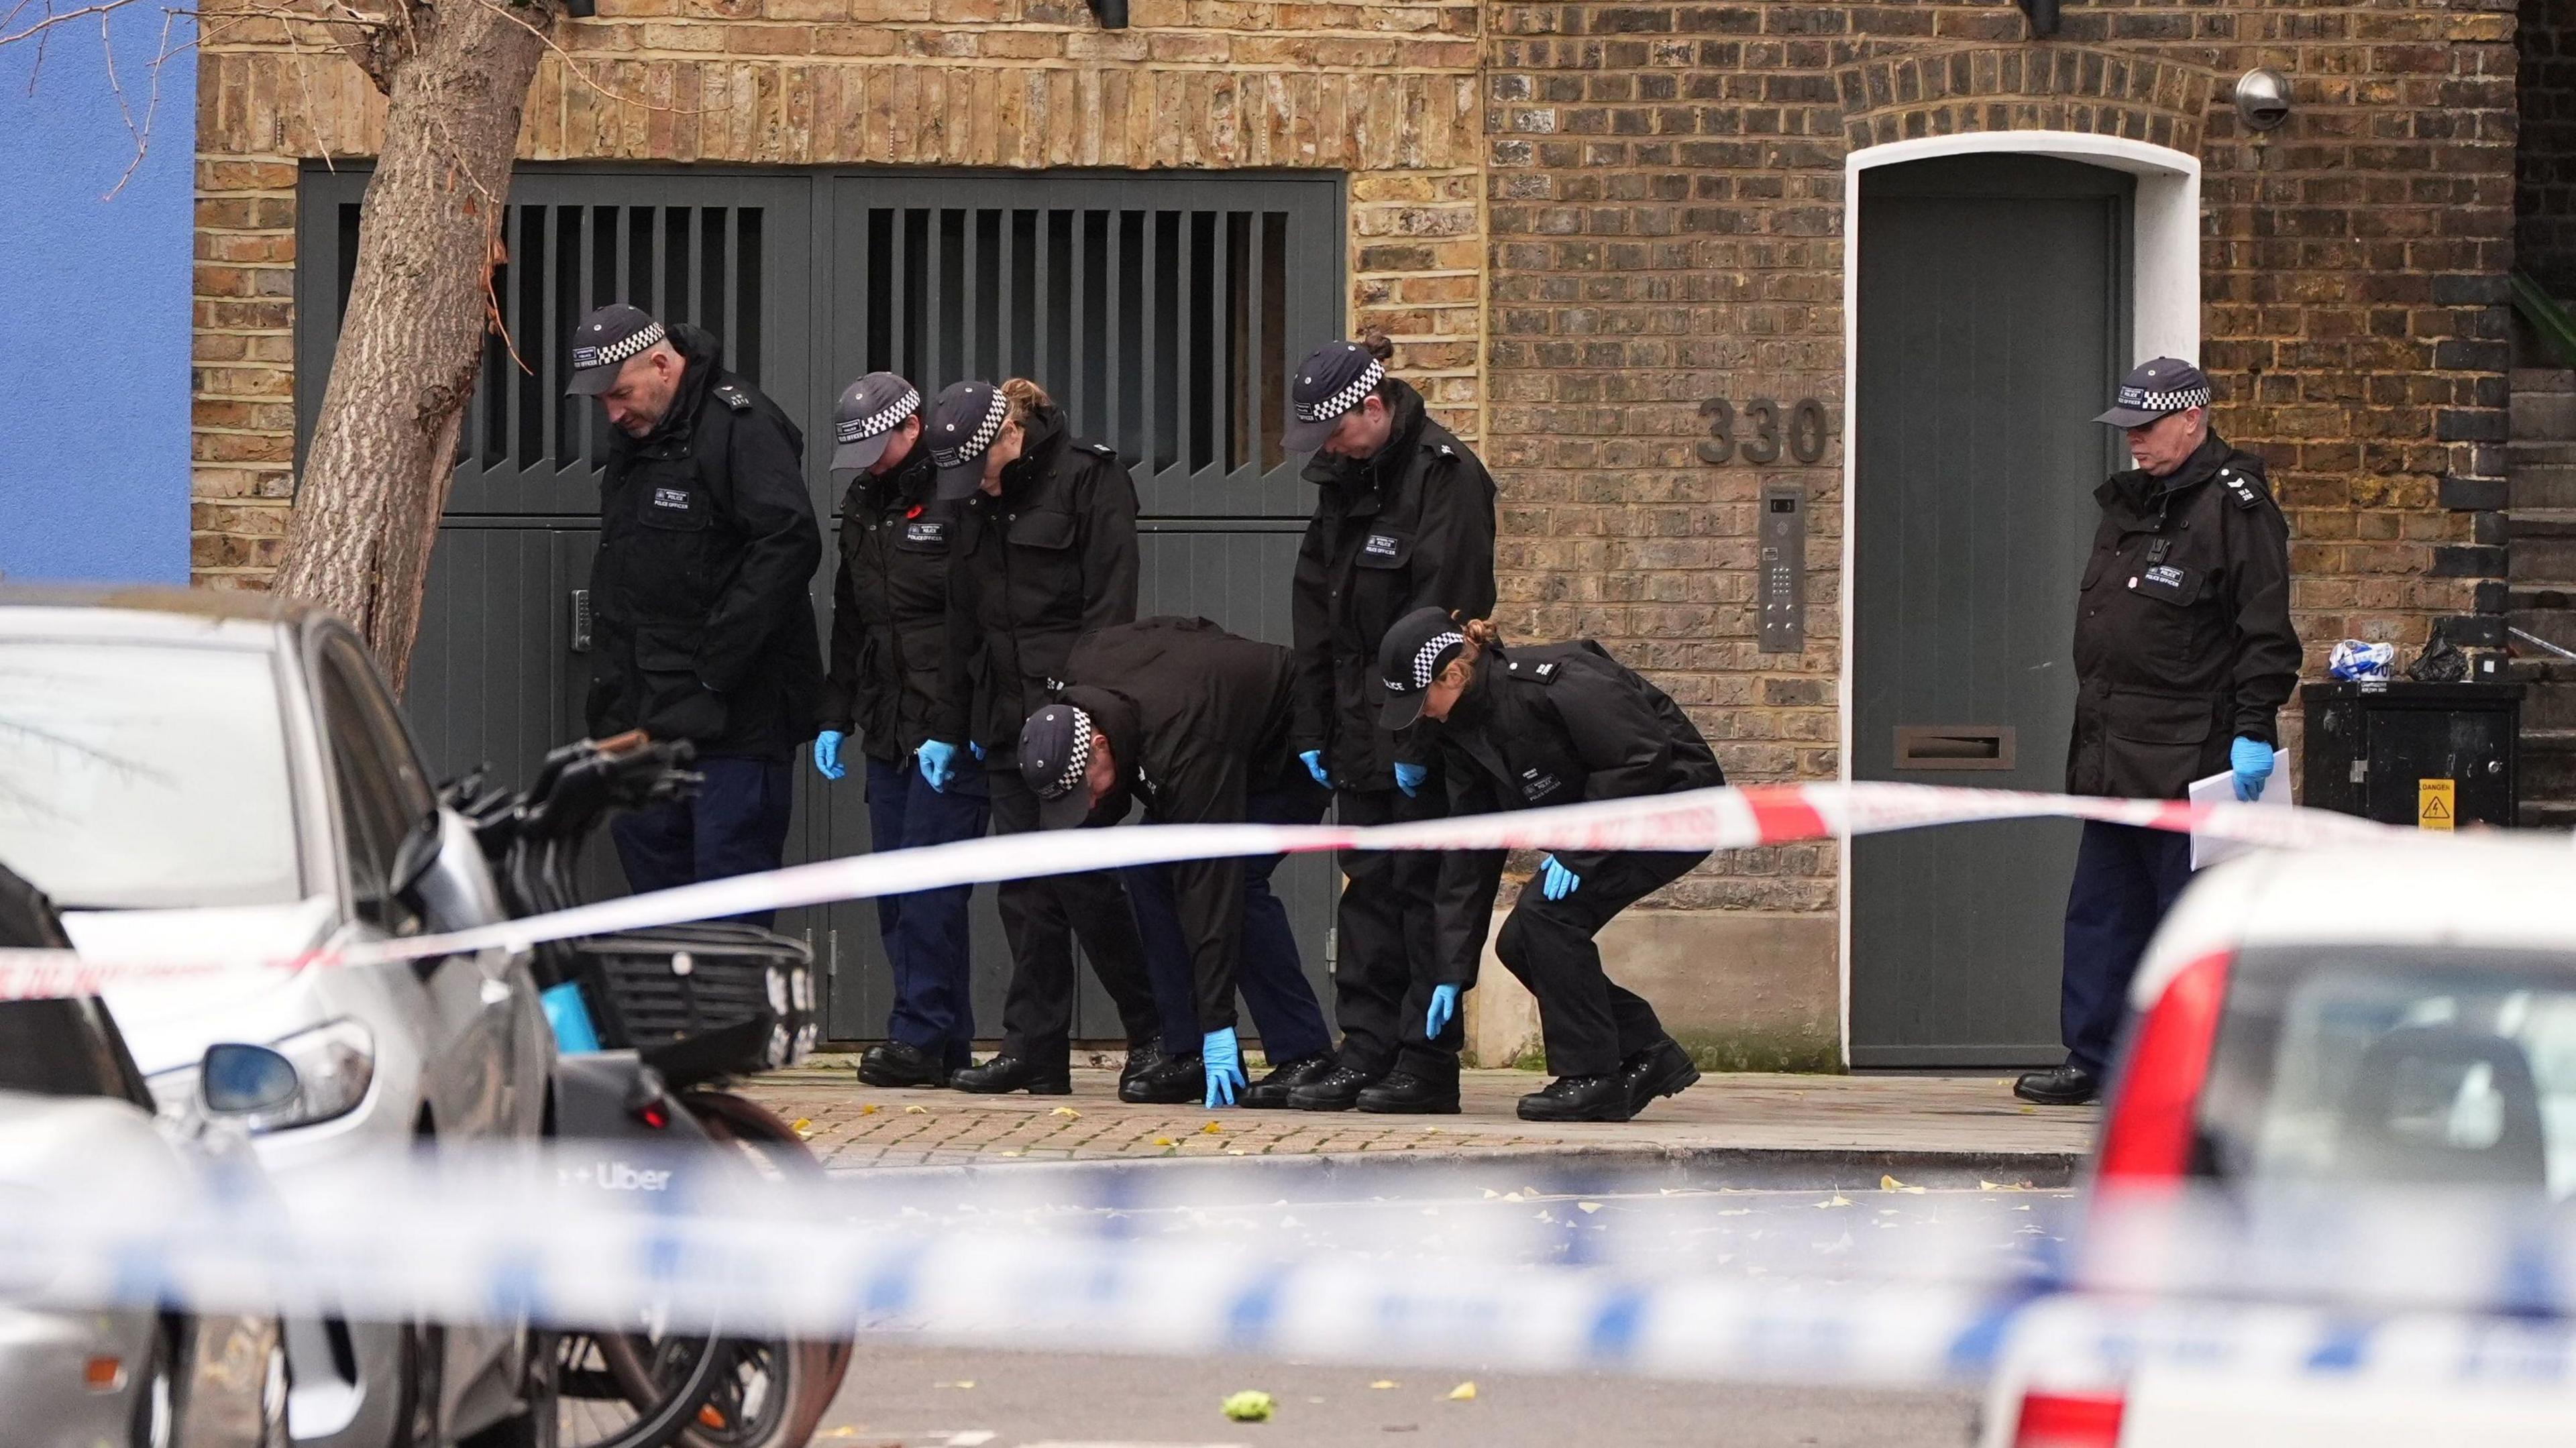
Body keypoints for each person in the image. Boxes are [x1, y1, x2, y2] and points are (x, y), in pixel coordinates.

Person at [2015, 359, 2300, 1107]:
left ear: (2193, 419)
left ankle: (2200, 1073)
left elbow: (2265, 633)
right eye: (2127, 428)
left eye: (2146, 426)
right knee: (2102, 915)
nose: (2134, 442)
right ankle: (2095, 1058)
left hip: (2192, 759)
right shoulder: (2133, 504)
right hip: (2111, 749)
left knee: (2192, 922)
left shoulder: (2236, 508)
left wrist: (2253, 727)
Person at [924, 377, 1169, 1097]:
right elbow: (961, 623)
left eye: (983, 471)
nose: (978, 489)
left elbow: (1109, 613)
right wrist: (949, 723)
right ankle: (1034, 1047)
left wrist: (1089, 717)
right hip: (1005, 720)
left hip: (1073, 721)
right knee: (1025, 891)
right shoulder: (974, 497)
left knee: (1086, 884)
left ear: (1009, 437)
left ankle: (1154, 1031)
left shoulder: (1090, 482)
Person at [1380, 608, 1719, 1123]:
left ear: (1453, 675)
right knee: (1520, 941)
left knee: (1547, 916)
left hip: (1674, 807)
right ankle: (1647, 1051)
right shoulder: (1465, 728)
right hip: (1613, 820)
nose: (1422, 714)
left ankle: (1592, 1078)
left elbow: (1640, 758)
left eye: (1422, 699)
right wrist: (1450, 970)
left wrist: (1581, 850)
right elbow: (1472, 850)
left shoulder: (1560, 680)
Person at [1279, 336, 1498, 1115]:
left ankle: (1424, 1061)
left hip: (1422, 730)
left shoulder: (1447, 477)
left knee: (1422, 893)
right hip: (1356, 730)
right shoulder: (1345, 477)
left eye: (1335, 431)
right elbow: (1318, 614)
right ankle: (1365, 1047)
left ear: (1373, 407)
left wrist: (1415, 742)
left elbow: (1448, 627)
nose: (1327, 449)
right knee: (1367, 892)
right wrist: (1315, 726)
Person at [1016, 617, 1341, 1109]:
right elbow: (1191, 628)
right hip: (1221, 731)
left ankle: (1304, 1050)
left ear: (1101, 746)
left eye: (1086, 791)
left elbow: (1210, 885)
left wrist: (1220, 1025)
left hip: (1292, 745)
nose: (1087, 805)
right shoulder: (1082, 678)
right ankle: (1181, 1049)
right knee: (1147, 867)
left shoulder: (1186, 742)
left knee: (1240, 880)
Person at [567, 303, 822, 920]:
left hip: (733, 722)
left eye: (621, 394)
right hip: (643, 716)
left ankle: (733, 1021)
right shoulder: (639, 431)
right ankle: (675, 1021)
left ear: (662, 364)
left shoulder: (741, 424)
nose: (613, 412)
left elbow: (789, 544)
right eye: (602, 400)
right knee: (659, 909)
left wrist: (712, 669)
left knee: (729, 921)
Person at [812, 372, 988, 1088]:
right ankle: (942, 1038)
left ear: (911, 427)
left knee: (931, 890)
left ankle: (919, 1034)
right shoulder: (864, 501)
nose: (867, 463)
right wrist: (836, 713)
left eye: (876, 447)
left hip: (948, 725)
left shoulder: (958, 494)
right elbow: (853, 618)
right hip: (888, 720)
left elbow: (973, 620)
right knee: (899, 888)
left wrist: (954, 724)